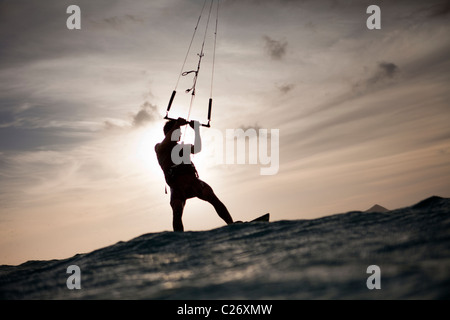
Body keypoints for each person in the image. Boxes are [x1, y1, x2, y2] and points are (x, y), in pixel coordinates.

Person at [155, 117, 234, 231]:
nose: (180, 135)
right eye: (178, 132)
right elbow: (165, 143)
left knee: (212, 197)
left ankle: (231, 225)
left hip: (193, 183)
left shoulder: (182, 147)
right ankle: (179, 238)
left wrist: (196, 130)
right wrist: (177, 124)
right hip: (177, 188)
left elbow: (197, 148)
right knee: (177, 209)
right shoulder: (159, 147)